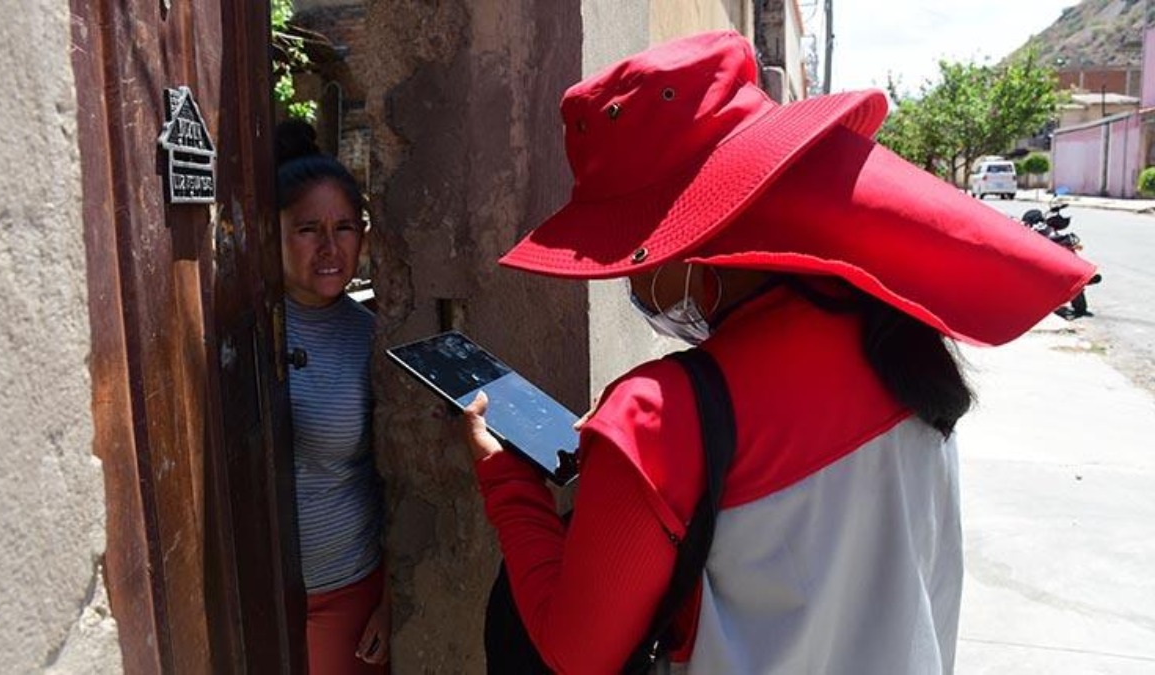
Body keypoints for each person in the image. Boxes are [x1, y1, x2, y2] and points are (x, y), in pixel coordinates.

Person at [461, 31, 1095, 673]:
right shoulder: (899, 339)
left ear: (687, 241)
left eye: (628, 250)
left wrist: (508, 480)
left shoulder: (657, 416)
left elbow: (575, 653)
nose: (627, 278)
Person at [277, 120, 389, 674]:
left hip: (348, 591)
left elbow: (397, 476)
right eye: (307, 229)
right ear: (271, 231)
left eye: (344, 227)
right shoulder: (241, 331)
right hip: (254, 595)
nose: (329, 247)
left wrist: (391, 599)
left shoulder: (371, 335)